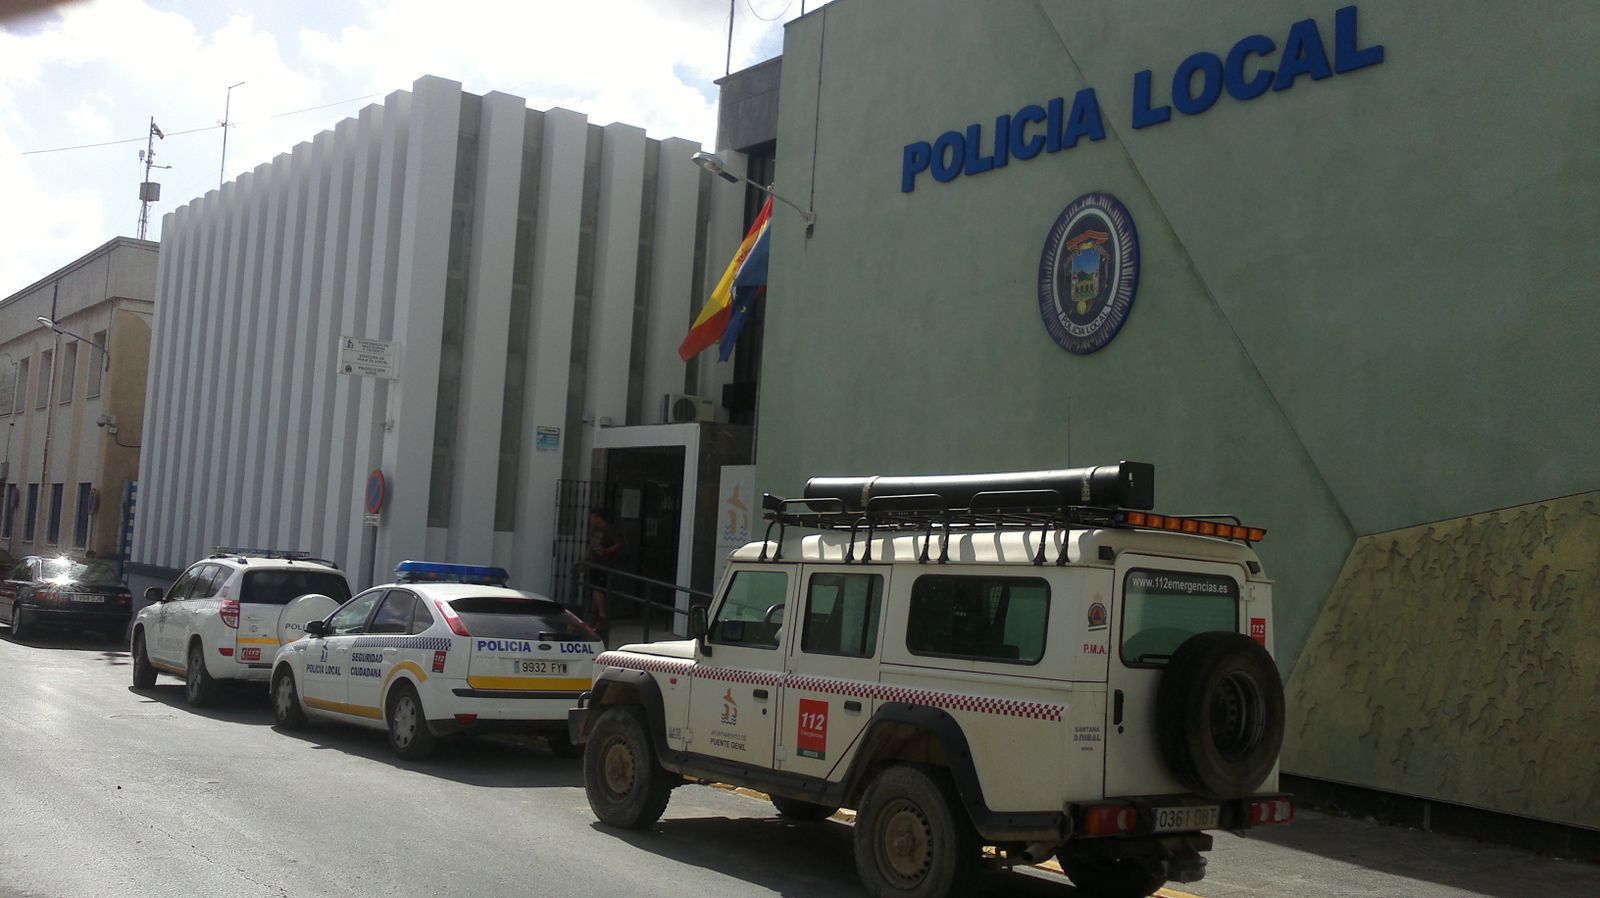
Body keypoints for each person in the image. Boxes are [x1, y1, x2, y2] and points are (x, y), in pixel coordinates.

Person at [585, 507, 623, 634]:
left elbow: (618, 544)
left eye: (592, 518)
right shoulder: (595, 530)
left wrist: (606, 551)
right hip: (594, 563)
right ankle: (595, 616)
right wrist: (585, 559)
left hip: (604, 564)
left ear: (598, 517)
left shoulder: (609, 530)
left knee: (598, 589)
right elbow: (591, 545)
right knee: (595, 589)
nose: (591, 520)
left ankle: (602, 615)